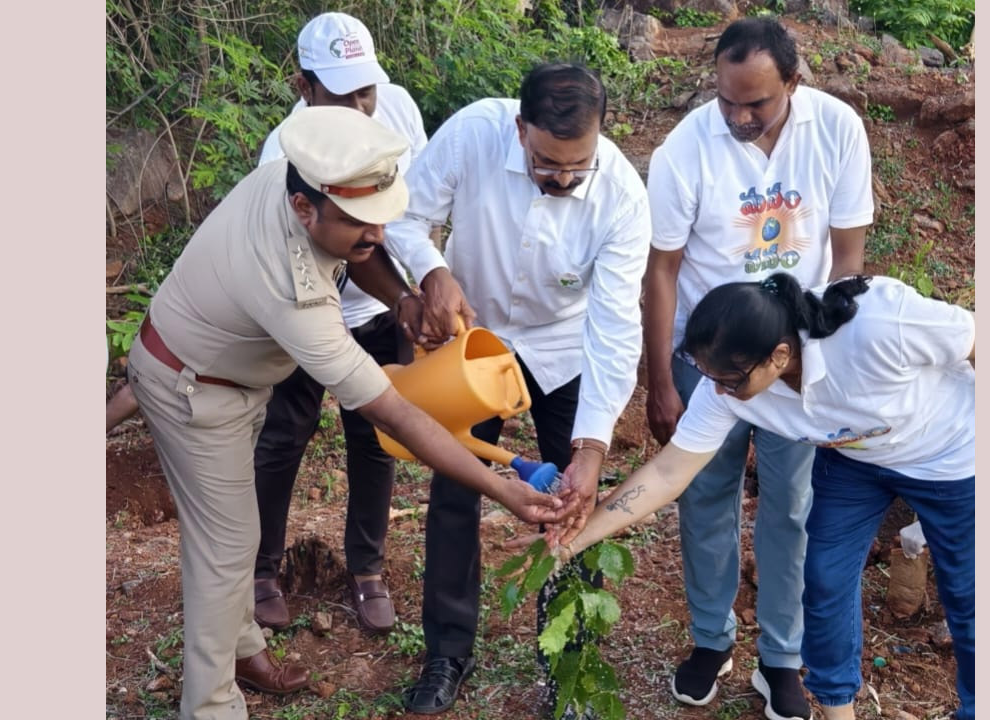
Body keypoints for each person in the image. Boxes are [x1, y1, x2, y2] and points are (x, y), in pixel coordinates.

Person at [126, 106, 574, 720]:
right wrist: (506, 491)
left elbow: (360, 242)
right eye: (362, 225)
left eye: (382, 220)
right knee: (225, 550)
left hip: (224, 374)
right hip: (196, 393)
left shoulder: (300, 176)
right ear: (307, 211)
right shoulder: (292, 290)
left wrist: (404, 301)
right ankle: (209, 705)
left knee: (237, 534)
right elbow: (397, 414)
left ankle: (243, 649)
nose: (379, 238)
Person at [554, 272, 975, 720]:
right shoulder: (727, 386)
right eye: (708, 375)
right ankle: (839, 712)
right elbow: (668, 472)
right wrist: (572, 542)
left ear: (779, 355)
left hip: (949, 456)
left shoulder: (879, 323)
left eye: (730, 379)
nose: (717, 390)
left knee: (968, 596)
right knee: (825, 580)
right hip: (858, 459)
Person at [381, 63, 651, 715]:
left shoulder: (621, 195)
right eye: (546, 163)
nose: (562, 179)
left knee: (571, 499)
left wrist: (592, 449)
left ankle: (567, 658)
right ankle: (447, 650)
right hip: (474, 342)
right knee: (453, 489)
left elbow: (615, 329)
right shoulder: (474, 133)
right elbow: (400, 218)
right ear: (519, 126)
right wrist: (433, 270)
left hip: (565, 348)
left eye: (576, 167)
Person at [641, 17, 873, 719]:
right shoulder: (687, 149)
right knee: (704, 498)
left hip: (792, 358)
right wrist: (658, 380)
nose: (739, 116)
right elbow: (663, 271)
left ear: (793, 85)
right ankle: (711, 639)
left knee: (791, 506)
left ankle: (782, 659)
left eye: (757, 104)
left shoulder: (836, 129)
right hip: (709, 359)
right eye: (727, 101)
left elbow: (849, 258)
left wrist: (829, 362)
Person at [248, 11, 438, 635]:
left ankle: (367, 571)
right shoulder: (284, 155)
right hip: (308, 315)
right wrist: (402, 296)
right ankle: (261, 570)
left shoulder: (399, 111)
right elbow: (330, 256)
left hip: (380, 312)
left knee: (374, 437)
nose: (360, 105)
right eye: (341, 92)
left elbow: (412, 214)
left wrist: (418, 292)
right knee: (282, 439)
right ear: (304, 86)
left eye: (366, 88)